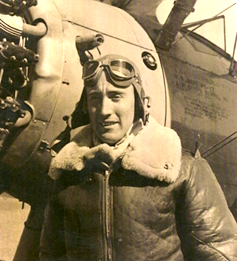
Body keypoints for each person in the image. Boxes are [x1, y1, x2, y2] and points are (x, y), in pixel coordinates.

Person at [40, 54, 237, 261]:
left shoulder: (181, 168)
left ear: (137, 103)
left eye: (116, 97)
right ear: (86, 106)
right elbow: (51, 254)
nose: (105, 111)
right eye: (95, 98)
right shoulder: (68, 170)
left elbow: (220, 250)